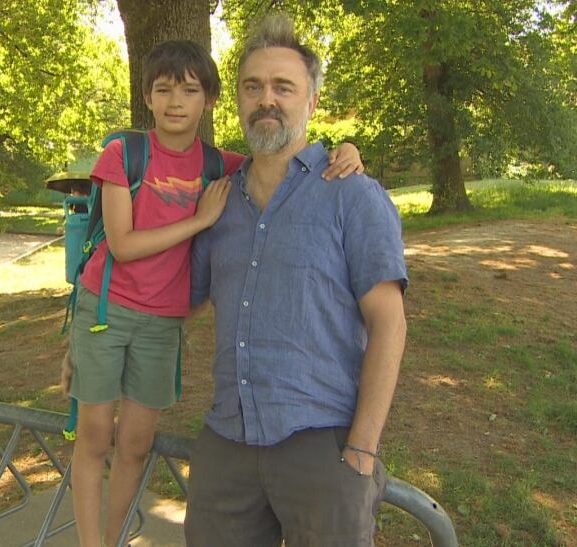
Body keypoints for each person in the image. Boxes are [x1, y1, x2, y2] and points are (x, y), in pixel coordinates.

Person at [60, 39, 364, 547]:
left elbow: (284, 153)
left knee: (134, 446)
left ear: (210, 100)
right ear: (147, 98)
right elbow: (123, 245)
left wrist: (346, 151)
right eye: (163, 91)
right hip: (105, 312)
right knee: (93, 438)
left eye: (189, 91)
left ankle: (111, 540)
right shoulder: (123, 155)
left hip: (162, 324)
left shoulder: (219, 165)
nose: (176, 102)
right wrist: (198, 220)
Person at [184, 15, 408, 547]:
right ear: (236, 101)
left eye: (284, 87)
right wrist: (88, 336)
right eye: (253, 86)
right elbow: (174, 304)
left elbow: (389, 324)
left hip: (323, 448)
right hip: (227, 445)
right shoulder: (215, 205)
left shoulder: (353, 195)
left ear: (310, 103)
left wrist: (362, 449)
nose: (267, 99)